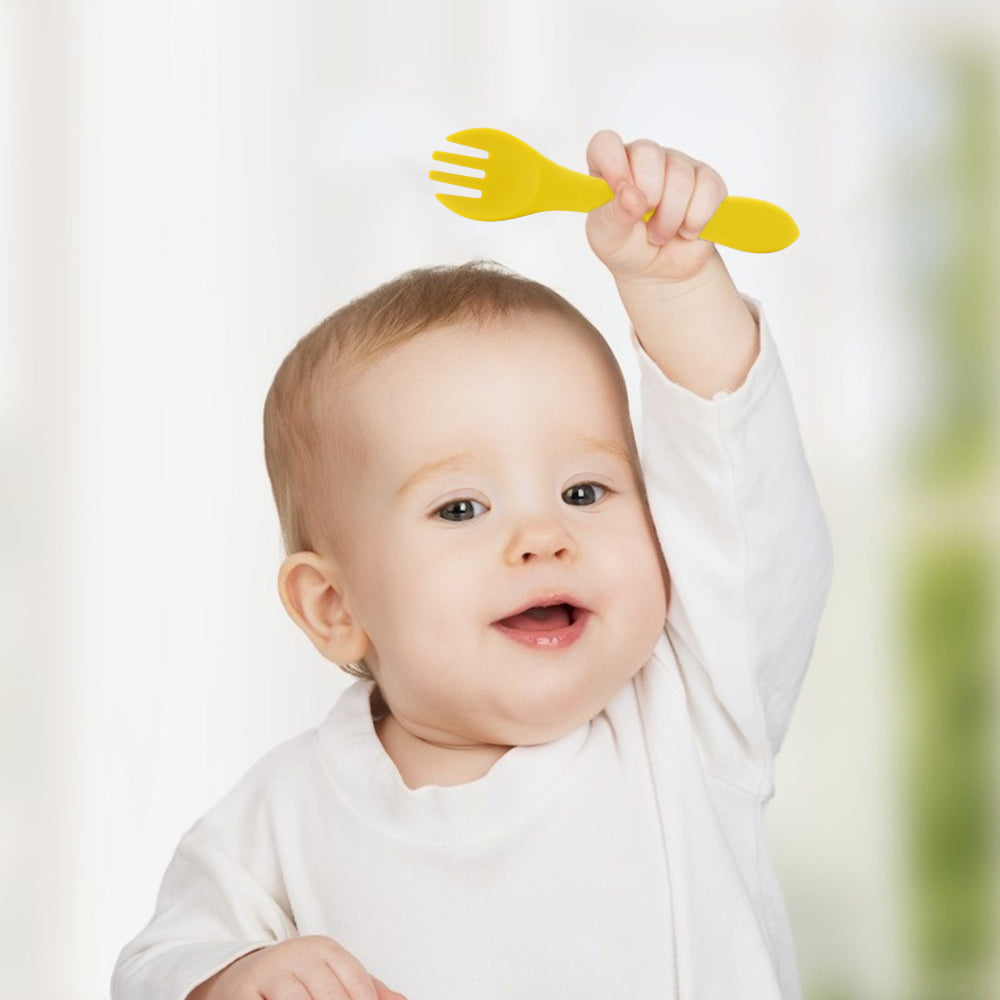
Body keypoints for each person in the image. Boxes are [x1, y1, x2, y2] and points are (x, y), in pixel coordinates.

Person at [111, 129, 833, 1000]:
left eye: (585, 491)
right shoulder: (283, 813)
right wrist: (234, 977)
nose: (542, 538)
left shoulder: (694, 713)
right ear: (333, 605)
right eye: (461, 509)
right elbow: (156, 965)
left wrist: (677, 291)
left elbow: (744, 505)